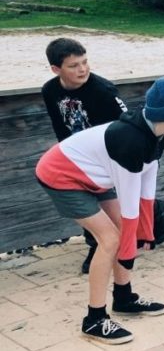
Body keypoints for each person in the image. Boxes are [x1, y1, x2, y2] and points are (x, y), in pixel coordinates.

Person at [35, 77, 164, 345]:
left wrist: (145, 234)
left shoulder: (154, 131)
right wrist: (131, 248)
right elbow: (130, 202)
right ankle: (94, 320)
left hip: (96, 173)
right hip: (61, 175)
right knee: (110, 240)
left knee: (124, 234)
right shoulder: (130, 141)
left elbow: (147, 187)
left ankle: (124, 298)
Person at [41, 37, 128, 274]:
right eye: (74, 65)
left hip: (106, 161)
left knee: (117, 216)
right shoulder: (50, 90)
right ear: (56, 69)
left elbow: (125, 129)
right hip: (75, 159)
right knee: (90, 209)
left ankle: (131, 242)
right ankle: (97, 247)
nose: (82, 69)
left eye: (85, 62)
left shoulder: (104, 91)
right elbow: (60, 126)